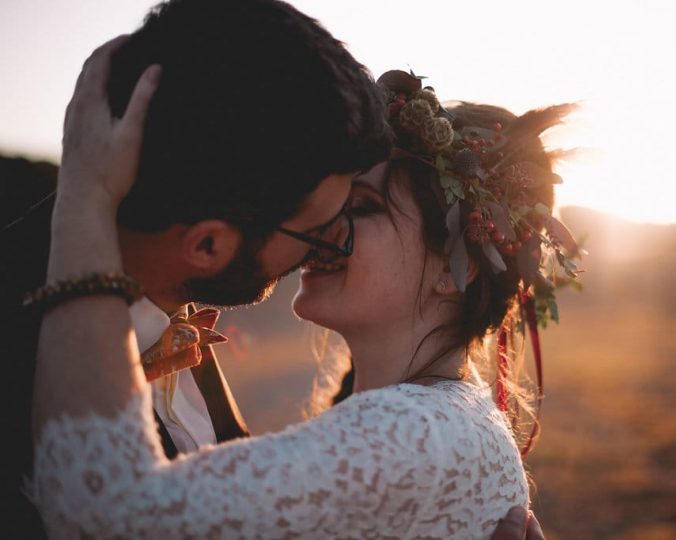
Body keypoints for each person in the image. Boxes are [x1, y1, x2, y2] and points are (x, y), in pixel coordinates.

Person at [3, 0, 542, 537]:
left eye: (364, 208)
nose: (329, 235)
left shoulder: (420, 431)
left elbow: (118, 510)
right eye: (328, 213)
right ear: (208, 245)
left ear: (456, 267)